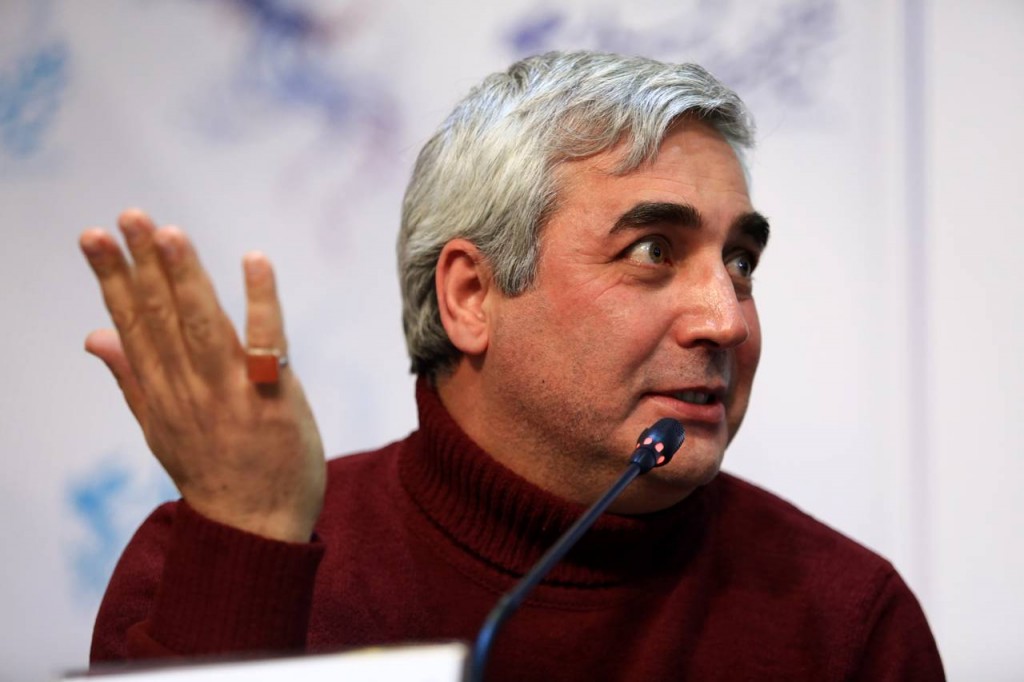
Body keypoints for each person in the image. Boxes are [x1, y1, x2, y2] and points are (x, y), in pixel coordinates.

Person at [83, 51, 944, 680]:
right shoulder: (213, 563)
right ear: (471, 295)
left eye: (741, 263)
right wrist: (249, 552)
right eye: (653, 250)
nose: (727, 320)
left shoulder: (846, 622)